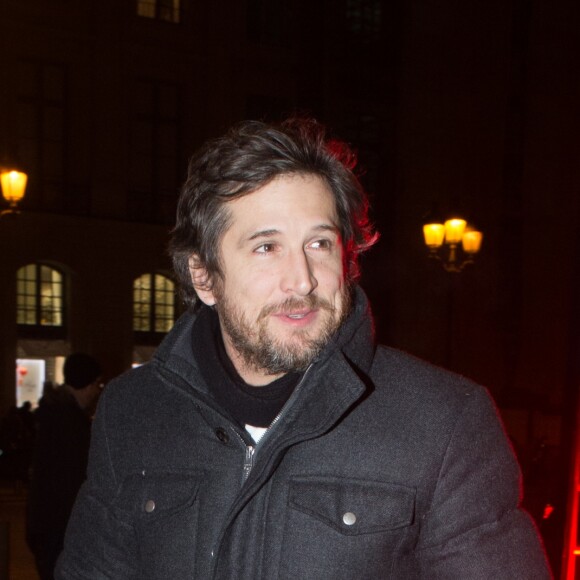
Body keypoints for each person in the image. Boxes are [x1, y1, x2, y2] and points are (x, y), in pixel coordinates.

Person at [57, 119, 551, 579]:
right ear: (203, 276)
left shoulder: (445, 422)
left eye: (319, 244)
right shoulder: (132, 412)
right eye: (266, 247)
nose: (303, 279)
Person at [27, 353, 103, 580]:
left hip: (50, 526)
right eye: (97, 383)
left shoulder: (57, 414)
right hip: (58, 529)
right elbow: (71, 482)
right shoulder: (68, 422)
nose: (98, 390)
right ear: (87, 385)